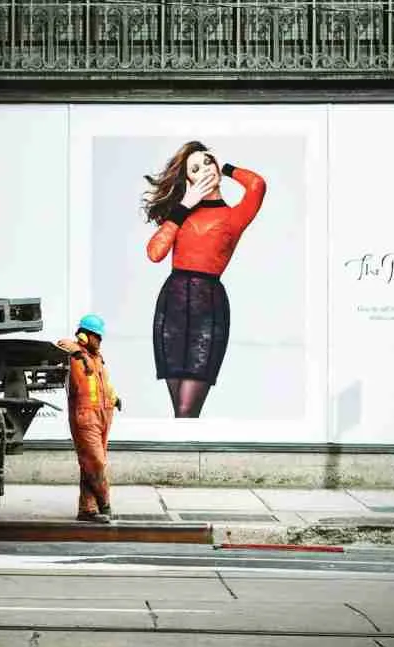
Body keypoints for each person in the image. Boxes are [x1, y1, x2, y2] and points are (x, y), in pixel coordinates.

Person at [143, 141, 266, 418]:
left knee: (188, 410)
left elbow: (257, 184)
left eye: (207, 162)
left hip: (208, 310)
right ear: (189, 180)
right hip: (171, 309)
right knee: (179, 412)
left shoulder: (234, 216)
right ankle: (179, 460)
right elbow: (155, 253)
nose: (205, 170)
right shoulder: (180, 214)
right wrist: (185, 204)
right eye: (195, 169)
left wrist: (225, 167)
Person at [57, 314, 121, 523]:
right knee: (96, 462)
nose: (100, 341)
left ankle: (87, 509)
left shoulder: (97, 358)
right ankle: (105, 504)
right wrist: (78, 350)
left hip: (103, 415)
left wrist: (114, 398)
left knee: (89, 464)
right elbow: (62, 344)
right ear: (86, 335)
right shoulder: (73, 353)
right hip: (85, 416)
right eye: (98, 337)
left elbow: (103, 384)